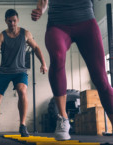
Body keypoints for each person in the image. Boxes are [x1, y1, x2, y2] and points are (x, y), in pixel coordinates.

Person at [31, 0, 113, 141]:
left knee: (101, 79)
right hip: (57, 24)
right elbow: (43, 1)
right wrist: (41, 9)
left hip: (86, 22)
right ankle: (63, 118)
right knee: (57, 57)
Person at [0, 9, 47, 139]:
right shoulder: (1, 36)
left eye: (14, 20)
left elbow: (36, 48)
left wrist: (43, 63)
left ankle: (22, 125)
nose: (12, 23)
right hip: (4, 71)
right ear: (6, 21)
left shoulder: (25, 33)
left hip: (20, 71)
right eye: (9, 21)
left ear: (17, 20)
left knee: (22, 91)